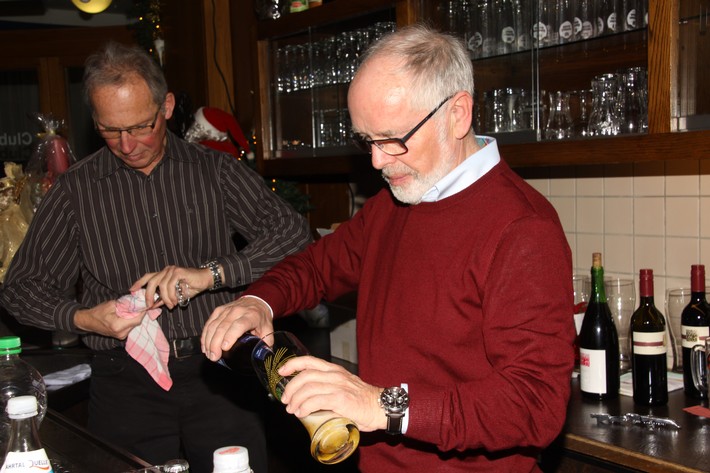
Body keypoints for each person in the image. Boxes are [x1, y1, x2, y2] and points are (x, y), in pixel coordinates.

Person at [202, 24, 576, 472]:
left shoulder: (523, 229)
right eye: (367, 141)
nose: (378, 161)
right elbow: (317, 267)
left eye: (392, 139)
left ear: (458, 114)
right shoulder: (395, 203)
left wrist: (383, 405)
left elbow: (535, 404)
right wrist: (259, 302)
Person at [0, 41, 312, 473]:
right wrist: (86, 318)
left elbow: (295, 236)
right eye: (110, 131)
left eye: (140, 127)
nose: (127, 145)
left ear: (165, 106)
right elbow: (20, 289)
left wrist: (213, 274)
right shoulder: (76, 190)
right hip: (123, 381)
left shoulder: (214, 171)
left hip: (218, 370)